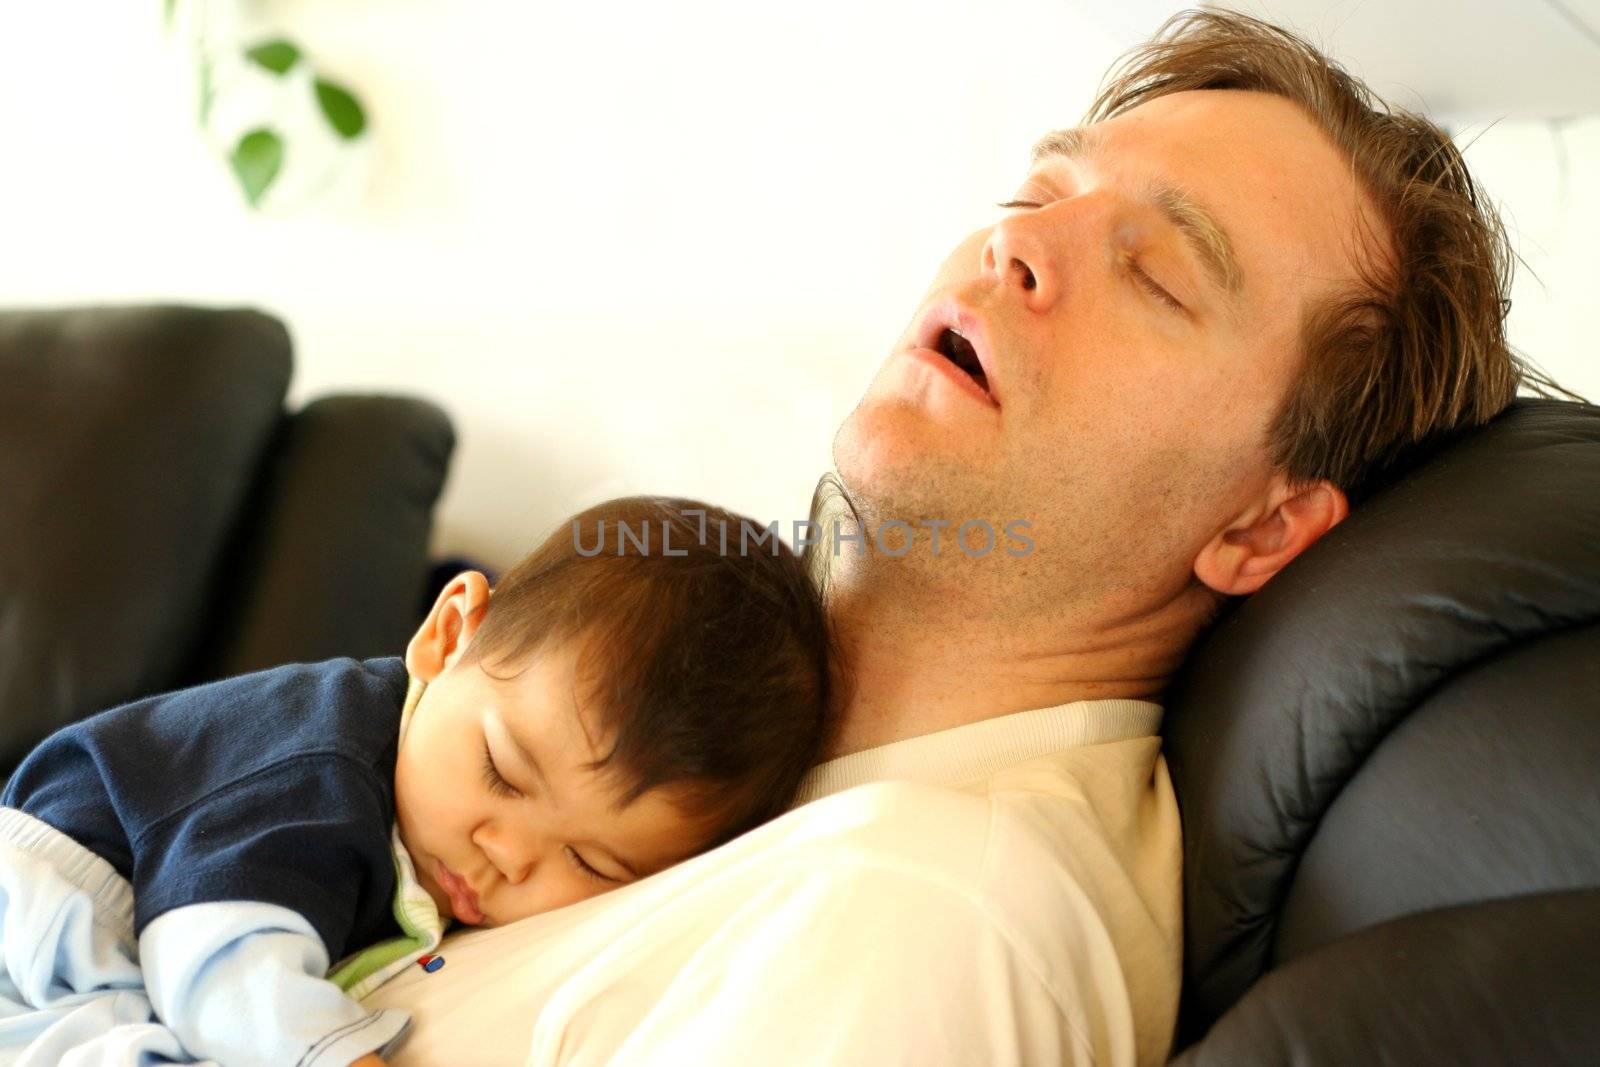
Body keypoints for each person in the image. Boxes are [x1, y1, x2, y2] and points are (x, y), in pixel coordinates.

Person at [356, 9, 1553, 1066]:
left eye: (1154, 273)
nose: (1017, 247)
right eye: (1037, 196)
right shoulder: (727, 766)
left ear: (1260, 524)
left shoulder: (931, 915)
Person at [0, 495, 834, 1067]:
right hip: (55, 902)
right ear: (448, 634)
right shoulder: (320, 766)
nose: (506, 854)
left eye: (594, 864)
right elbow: (217, 956)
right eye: (503, 774)